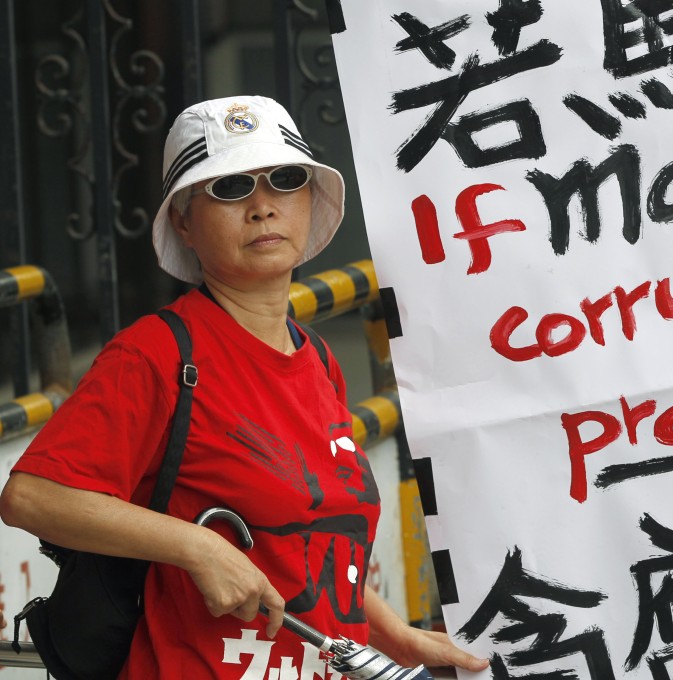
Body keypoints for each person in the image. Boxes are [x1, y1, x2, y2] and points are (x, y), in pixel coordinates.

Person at [0, 95, 488, 678]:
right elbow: (32, 496)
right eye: (229, 188)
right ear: (183, 219)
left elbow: (307, 549)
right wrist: (197, 547)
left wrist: (395, 636)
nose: (262, 207)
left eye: (283, 180)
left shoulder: (319, 360)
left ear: (310, 199)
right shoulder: (155, 354)